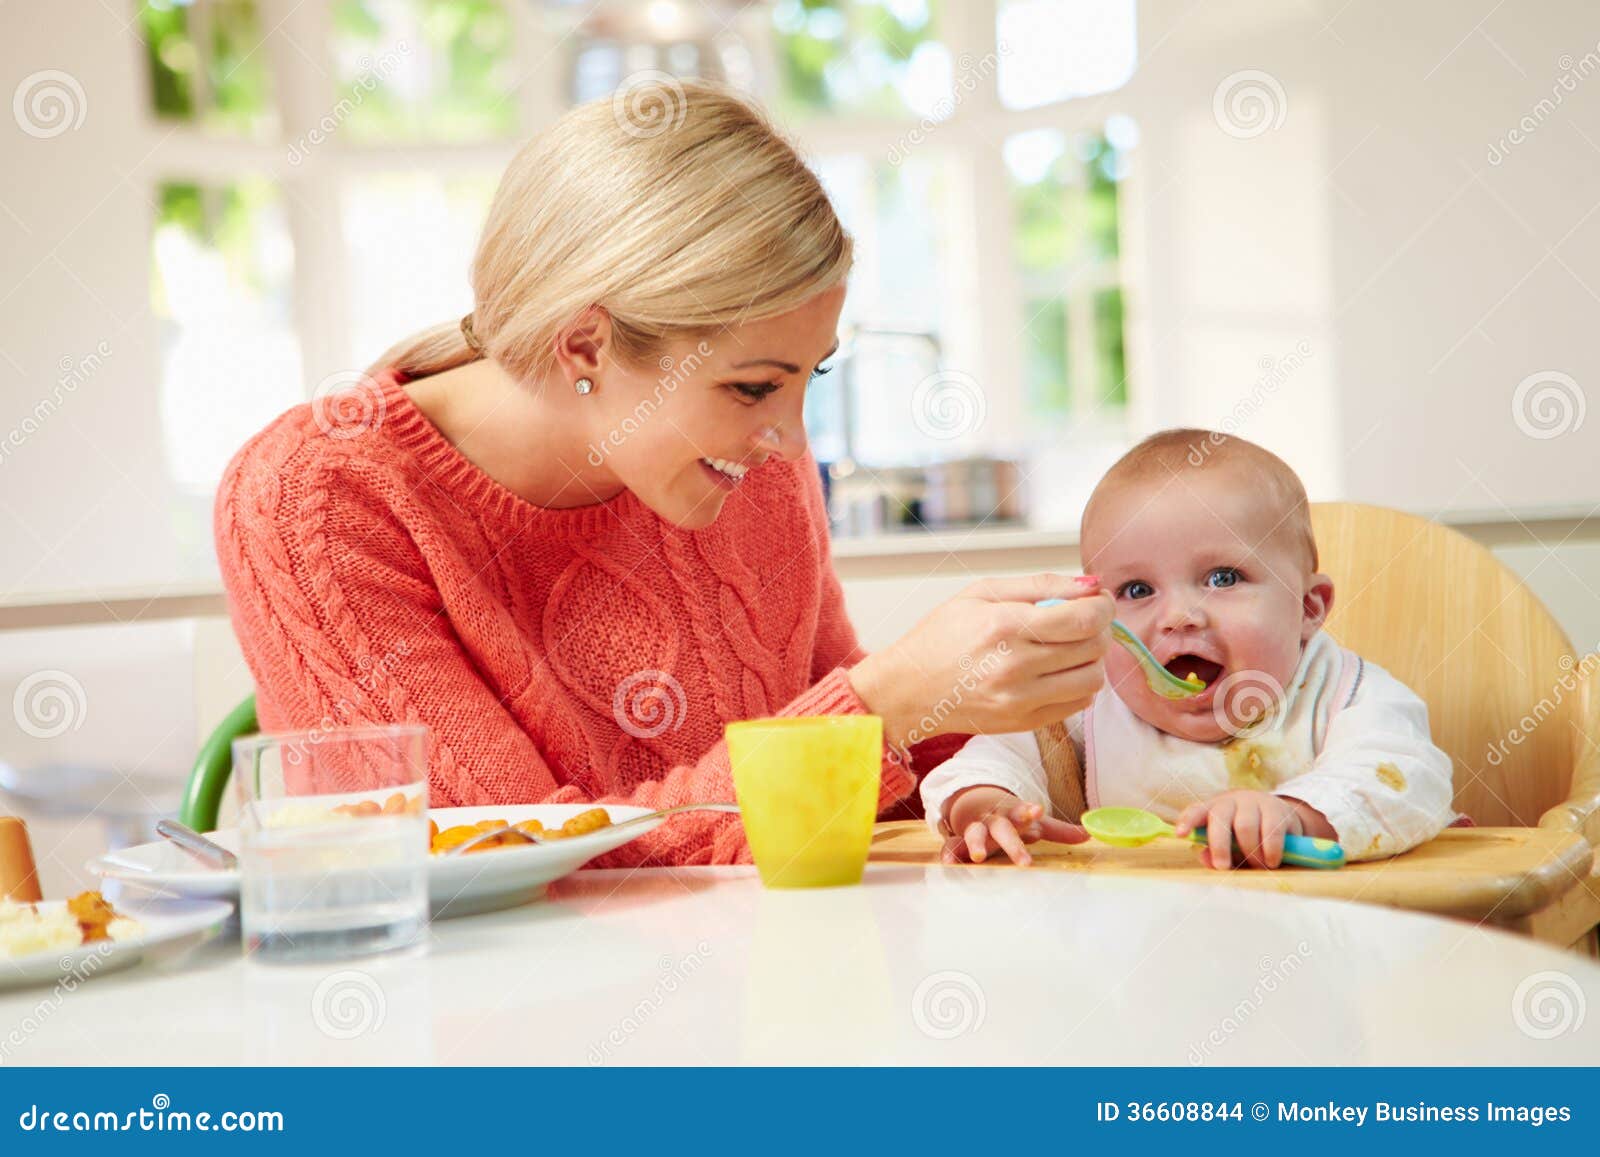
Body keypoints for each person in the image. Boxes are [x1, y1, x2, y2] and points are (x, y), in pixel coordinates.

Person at [215, 80, 1112, 866]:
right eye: (754, 385)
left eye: (810, 375)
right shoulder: (314, 500)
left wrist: (1004, 724)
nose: (789, 441)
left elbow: (852, 780)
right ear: (585, 343)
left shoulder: (736, 462)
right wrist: (883, 706)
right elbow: (492, 860)